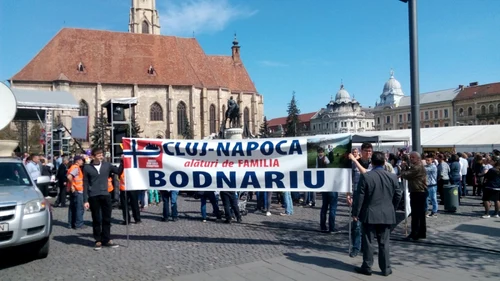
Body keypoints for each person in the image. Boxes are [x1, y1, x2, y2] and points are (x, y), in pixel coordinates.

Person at [352, 151, 402, 276]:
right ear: (384, 162)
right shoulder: (392, 176)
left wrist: (355, 213)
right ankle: (385, 268)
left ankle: (367, 266)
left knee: (368, 241)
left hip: (370, 213)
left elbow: (360, 197)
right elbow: (398, 194)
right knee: (384, 242)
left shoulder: (367, 176)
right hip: (386, 213)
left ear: (372, 163)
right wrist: (392, 207)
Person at [83, 148, 123, 251]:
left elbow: (118, 171)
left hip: (105, 194)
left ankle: (107, 239)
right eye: (98, 154)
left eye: (101, 154)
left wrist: (122, 161)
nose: (101, 156)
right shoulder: (87, 168)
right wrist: (85, 200)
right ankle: (98, 240)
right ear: (93, 156)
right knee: (96, 219)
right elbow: (85, 184)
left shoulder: (107, 165)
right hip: (94, 195)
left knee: (107, 218)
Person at [401, 151, 428, 241]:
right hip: (418, 191)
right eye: (410, 157)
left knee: (416, 214)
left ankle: (415, 234)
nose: (411, 159)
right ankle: (421, 232)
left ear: (418, 158)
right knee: (420, 214)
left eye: (413, 157)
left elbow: (406, 175)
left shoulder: (417, 167)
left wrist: (403, 168)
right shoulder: (417, 166)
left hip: (418, 192)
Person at [67, 156, 85, 229]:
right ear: (77, 161)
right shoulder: (76, 168)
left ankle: (71, 223)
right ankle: (79, 224)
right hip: (77, 190)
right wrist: (72, 185)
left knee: (72, 207)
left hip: (74, 190)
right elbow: (69, 177)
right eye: (81, 160)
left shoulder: (72, 167)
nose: (82, 162)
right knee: (79, 207)